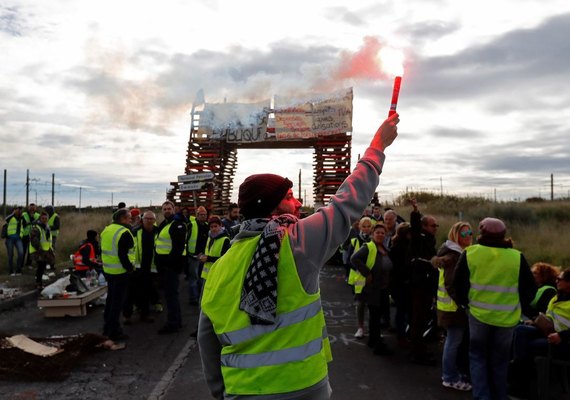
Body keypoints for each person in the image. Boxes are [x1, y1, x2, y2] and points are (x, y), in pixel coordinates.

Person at [198, 113, 399, 399]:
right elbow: (346, 204)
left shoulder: (219, 267)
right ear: (272, 208)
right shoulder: (295, 243)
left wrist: (222, 394)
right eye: (290, 196)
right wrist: (377, 147)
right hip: (302, 388)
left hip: (241, 391)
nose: (299, 202)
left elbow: (207, 343)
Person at [451, 217, 536, 400]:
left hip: (478, 315)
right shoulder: (516, 257)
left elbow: (458, 283)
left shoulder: (471, 253)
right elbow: (530, 289)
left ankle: (482, 396)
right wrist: (519, 306)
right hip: (507, 318)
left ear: (482, 233)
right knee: (500, 360)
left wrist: (465, 304)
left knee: (477, 357)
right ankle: (499, 395)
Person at [510, 267, 570, 395]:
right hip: (549, 332)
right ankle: (519, 377)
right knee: (521, 330)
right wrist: (536, 322)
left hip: (564, 342)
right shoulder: (558, 296)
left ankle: (522, 384)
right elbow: (551, 316)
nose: (557, 281)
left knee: (530, 345)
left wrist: (561, 336)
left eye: (560, 279)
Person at [431, 222, 473, 391]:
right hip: (453, 308)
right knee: (453, 342)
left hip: (450, 307)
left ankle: (454, 373)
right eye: (464, 233)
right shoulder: (454, 256)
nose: (469, 235)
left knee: (454, 341)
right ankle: (449, 377)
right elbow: (451, 284)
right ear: (455, 236)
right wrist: (463, 303)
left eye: (470, 232)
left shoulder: (457, 253)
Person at [351, 223, 394, 356]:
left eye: (382, 233)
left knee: (377, 315)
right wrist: (367, 273)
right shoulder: (369, 247)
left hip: (383, 287)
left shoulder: (384, 248)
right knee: (375, 316)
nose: (380, 235)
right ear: (372, 234)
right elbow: (354, 258)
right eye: (377, 233)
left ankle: (373, 340)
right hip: (373, 288)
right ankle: (377, 344)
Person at [408, 198, 439, 365]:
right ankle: (417, 352)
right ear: (425, 226)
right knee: (418, 318)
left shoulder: (430, 240)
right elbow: (414, 227)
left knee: (423, 317)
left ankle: (420, 348)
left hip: (428, 284)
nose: (436, 228)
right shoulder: (419, 238)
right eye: (433, 225)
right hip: (420, 284)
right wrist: (415, 211)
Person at [101, 208, 135, 342]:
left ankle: (107, 327)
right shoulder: (125, 232)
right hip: (120, 272)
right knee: (117, 303)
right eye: (129, 218)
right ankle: (114, 331)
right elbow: (123, 255)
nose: (131, 220)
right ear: (122, 219)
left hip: (109, 271)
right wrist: (130, 268)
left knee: (110, 300)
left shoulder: (107, 230)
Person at [155, 200, 187, 334]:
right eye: (164, 209)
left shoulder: (177, 225)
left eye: (169, 208)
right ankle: (177, 321)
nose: (167, 211)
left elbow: (177, 248)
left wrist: (168, 265)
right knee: (171, 295)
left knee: (171, 296)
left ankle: (172, 323)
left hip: (171, 268)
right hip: (166, 267)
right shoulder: (164, 224)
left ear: (174, 209)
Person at [124, 210, 158, 324]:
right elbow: (129, 250)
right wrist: (130, 265)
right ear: (142, 220)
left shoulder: (158, 232)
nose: (149, 221)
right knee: (130, 293)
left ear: (154, 220)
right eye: (146, 218)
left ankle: (145, 314)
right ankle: (127, 316)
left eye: (151, 219)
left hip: (150, 268)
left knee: (146, 293)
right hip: (136, 268)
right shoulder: (134, 231)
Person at [347, 217, 373, 338]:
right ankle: (361, 327)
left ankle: (373, 329)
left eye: (369, 226)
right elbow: (349, 261)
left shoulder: (375, 240)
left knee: (373, 305)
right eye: (364, 226)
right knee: (361, 304)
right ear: (360, 227)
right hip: (359, 279)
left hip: (372, 278)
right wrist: (362, 270)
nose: (366, 229)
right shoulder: (354, 241)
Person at [389, 222, 412, 348]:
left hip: (398, 284)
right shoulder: (401, 248)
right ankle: (401, 336)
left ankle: (402, 334)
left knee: (401, 311)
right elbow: (399, 268)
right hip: (401, 284)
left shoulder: (396, 246)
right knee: (402, 311)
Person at [187, 205, 209, 304]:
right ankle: (193, 298)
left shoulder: (208, 226)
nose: (203, 216)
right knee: (194, 278)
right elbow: (185, 239)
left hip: (204, 257)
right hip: (193, 256)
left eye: (205, 215)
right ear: (197, 215)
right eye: (201, 215)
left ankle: (200, 296)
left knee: (202, 277)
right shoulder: (191, 225)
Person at [199, 215, 231, 281]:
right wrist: (202, 256)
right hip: (207, 275)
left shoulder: (225, 240)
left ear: (220, 226)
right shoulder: (209, 238)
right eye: (211, 227)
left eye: (215, 226)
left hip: (218, 274)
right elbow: (208, 252)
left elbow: (225, 259)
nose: (213, 228)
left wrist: (208, 258)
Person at [29, 211, 54, 289]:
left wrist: (50, 249)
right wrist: (39, 249)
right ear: (40, 218)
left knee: (42, 267)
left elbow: (48, 240)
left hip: (45, 250)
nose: (44, 220)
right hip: (38, 251)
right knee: (40, 267)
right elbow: (34, 240)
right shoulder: (36, 227)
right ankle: (38, 283)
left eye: (46, 218)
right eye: (43, 218)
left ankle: (39, 283)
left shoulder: (47, 227)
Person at [4, 206, 24, 276]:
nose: (19, 211)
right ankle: (11, 270)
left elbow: (26, 223)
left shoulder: (22, 218)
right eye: (17, 210)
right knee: (10, 255)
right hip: (10, 238)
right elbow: (6, 219)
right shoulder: (10, 217)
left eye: (20, 210)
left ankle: (18, 269)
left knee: (21, 253)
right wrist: (13, 213)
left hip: (18, 238)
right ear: (14, 210)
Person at [21, 203, 40, 268]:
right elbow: (22, 224)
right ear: (28, 208)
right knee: (23, 250)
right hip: (25, 235)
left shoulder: (37, 215)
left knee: (30, 251)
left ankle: (28, 264)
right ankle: (21, 264)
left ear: (35, 208)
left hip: (33, 235)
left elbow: (38, 223)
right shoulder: (24, 214)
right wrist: (29, 222)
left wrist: (32, 219)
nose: (32, 209)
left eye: (33, 208)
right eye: (31, 208)